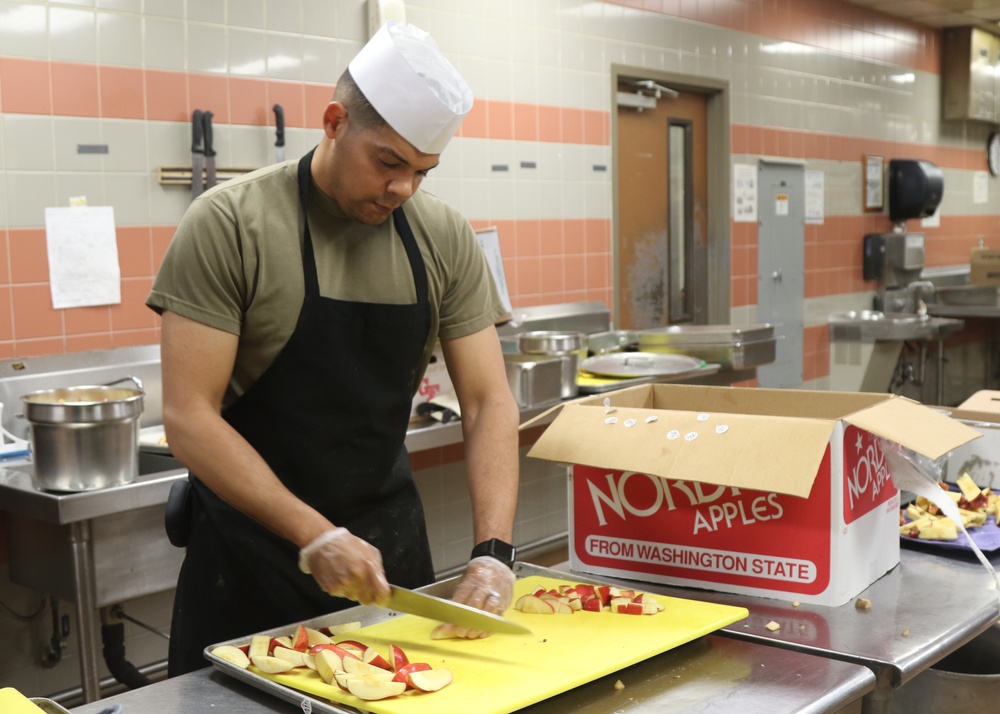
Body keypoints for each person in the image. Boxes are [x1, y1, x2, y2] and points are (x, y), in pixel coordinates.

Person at [148, 22, 521, 676]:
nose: (403, 188)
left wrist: (494, 551)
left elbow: (489, 402)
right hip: (248, 565)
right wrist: (313, 533)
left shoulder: (443, 237)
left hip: (388, 560)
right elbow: (188, 418)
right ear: (334, 121)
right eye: (388, 162)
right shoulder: (231, 223)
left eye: (421, 172)